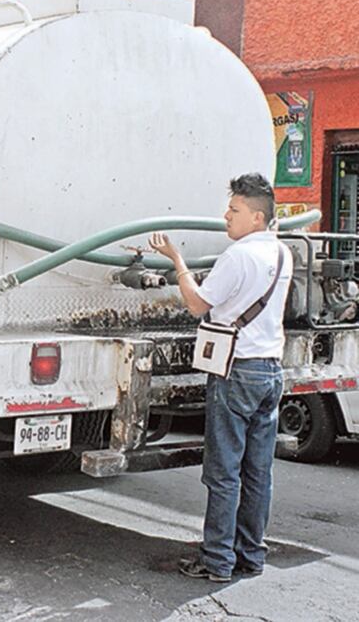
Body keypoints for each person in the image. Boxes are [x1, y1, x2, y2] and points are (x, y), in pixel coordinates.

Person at [149, 173, 293, 582]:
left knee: (224, 471)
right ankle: (252, 555)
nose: (226, 216)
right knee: (257, 471)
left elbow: (197, 303)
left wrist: (176, 261)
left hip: (236, 372)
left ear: (257, 217)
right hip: (269, 370)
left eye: (234, 210)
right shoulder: (282, 253)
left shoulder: (239, 256)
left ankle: (216, 562)